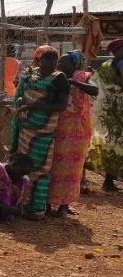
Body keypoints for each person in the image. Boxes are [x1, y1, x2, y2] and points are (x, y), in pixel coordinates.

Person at [11, 45, 70, 218]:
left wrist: (36, 105)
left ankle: (37, 209)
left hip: (43, 133)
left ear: (56, 63)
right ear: (40, 60)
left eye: (52, 63)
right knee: (22, 165)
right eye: (44, 61)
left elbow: (62, 105)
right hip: (25, 129)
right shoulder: (32, 74)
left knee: (40, 168)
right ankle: (20, 204)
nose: (47, 66)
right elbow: (21, 93)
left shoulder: (59, 79)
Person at [48, 51, 98, 216]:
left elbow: (95, 90)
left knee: (72, 169)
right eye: (59, 62)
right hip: (58, 127)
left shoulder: (83, 77)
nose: (60, 65)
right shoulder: (55, 76)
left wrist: (75, 82)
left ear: (74, 65)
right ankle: (47, 202)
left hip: (77, 130)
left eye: (64, 62)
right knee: (52, 165)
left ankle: (64, 205)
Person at [90, 38, 123, 192]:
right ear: (117, 50)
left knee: (112, 146)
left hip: (106, 111)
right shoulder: (118, 64)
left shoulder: (105, 65)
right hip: (115, 111)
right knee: (115, 146)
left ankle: (109, 180)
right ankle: (109, 181)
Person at [0, 153, 35, 221]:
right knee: (0, 186)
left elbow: (20, 201)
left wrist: (18, 210)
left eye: (24, 174)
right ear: (14, 164)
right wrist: (5, 207)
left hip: (1, 206)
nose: (22, 176)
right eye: (21, 172)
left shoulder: (23, 179)